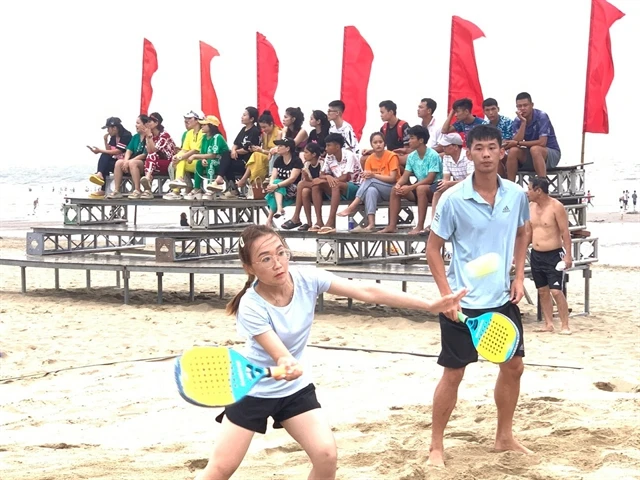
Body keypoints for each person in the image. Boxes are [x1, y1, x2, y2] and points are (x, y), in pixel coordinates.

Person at [194, 224, 466, 480]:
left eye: (280, 252)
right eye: (265, 259)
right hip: (253, 391)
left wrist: (429, 305)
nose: (277, 263)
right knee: (220, 469)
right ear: (249, 267)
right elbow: (280, 354)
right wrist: (287, 362)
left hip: (294, 391)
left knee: (326, 455)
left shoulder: (306, 278)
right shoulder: (251, 306)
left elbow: (366, 291)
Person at [426, 124, 532, 467]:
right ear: (468, 153)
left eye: (492, 148)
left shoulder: (515, 195)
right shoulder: (453, 199)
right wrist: (447, 296)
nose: (486, 154)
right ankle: (436, 448)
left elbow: (522, 232)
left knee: (513, 367)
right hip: (463, 304)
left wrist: (518, 276)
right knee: (453, 373)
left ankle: (504, 437)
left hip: (502, 299)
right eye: (479, 148)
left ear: (502, 151)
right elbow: (433, 249)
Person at [527, 177, 573, 334]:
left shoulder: (556, 207)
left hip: (554, 254)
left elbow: (565, 233)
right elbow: (528, 232)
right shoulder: (531, 207)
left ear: (538, 190)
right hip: (536, 254)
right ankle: (548, 324)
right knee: (542, 290)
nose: (527, 192)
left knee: (556, 291)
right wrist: (517, 254)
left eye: (529, 189)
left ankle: (565, 325)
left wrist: (568, 256)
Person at [378, 125, 442, 235]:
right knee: (395, 189)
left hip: (434, 189)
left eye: (412, 138)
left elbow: (430, 179)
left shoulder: (433, 155)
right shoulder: (412, 156)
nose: (409, 141)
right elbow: (405, 176)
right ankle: (392, 226)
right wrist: (399, 185)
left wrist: (410, 187)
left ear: (421, 140)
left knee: (421, 189)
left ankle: (419, 226)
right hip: (418, 188)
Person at [337, 132, 400, 232]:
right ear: (371, 144)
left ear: (384, 143)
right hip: (378, 190)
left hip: (392, 189)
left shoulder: (391, 156)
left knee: (371, 181)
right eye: (375, 142)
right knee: (370, 190)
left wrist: (374, 175)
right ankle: (371, 224)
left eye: (380, 142)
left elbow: (392, 178)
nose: (378, 144)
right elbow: (367, 180)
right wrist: (368, 176)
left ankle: (353, 206)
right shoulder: (370, 159)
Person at [308, 133, 362, 234]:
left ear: (337, 147)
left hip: (355, 187)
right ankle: (319, 222)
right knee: (316, 186)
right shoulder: (329, 156)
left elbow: (345, 177)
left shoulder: (349, 155)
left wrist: (327, 179)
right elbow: (322, 175)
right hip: (337, 186)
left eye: (329, 145)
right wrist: (327, 177)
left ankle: (331, 223)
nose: (326, 148)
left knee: (335, 185)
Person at [424, 133, 474, 234]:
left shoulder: (467, 156)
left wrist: (448, 184)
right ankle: (434, 222)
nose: (443, 148)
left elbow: (470, 181)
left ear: (455, 147)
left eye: (446, 146)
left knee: (445, 189)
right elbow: (446, 178)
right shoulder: (447, 157)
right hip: (457, 185)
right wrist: (444, 184)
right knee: (438, 191)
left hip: (472, 186)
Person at [504, 92, 561, 181]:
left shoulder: (542, 116)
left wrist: (518, 143)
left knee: (535, 149)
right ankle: (510, 187)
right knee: (513, 151)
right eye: (519, 106)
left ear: (532, 105)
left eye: (525, 105)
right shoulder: (517, 120)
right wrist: (523, 123)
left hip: (551, 153)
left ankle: (542, 185)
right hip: (532, 154)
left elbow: (542, 142)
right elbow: (515, 142)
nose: (522, 108)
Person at [211, 107, 262, 199]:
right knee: (226, 161)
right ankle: (231, 187)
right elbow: (235, 143)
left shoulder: (255, 131)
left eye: (245, 115)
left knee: (226, 158)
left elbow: (248, 149)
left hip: (247, 162)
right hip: (237, 158)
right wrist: (234, 150)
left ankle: (225, 182)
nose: (242, 117)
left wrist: (235, 152)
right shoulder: (243, 129)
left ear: (251, 119)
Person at [280, 143, 324, 231]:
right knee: (304, 191)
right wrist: (306, 176)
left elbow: (320, 179)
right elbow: (307, 180)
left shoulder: (321, 163)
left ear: (314, 154)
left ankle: (296, 217)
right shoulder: (307, 164)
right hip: (311, 188)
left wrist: (307, 180)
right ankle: (309, 222)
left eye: (306, 152)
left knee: (300, 184)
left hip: (321, 189)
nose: (304, 154)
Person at [183, 115, 228, 201]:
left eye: (204, 125)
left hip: (220, 163)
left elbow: (213, 155)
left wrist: (195, 156)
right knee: (199, 163)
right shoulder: (204, 137)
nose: (202, 126)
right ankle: (197, 188)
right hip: (210, 160)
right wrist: (202, 159)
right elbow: (203, 153)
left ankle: (211, 189)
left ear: (211, 126)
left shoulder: (217, 137)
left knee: (210, 162)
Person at [107, 115, 151, 199]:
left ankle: (137, 190)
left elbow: (144, 154)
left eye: (138, 123)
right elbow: (128, 150)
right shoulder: (135, 137)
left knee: (133, 163)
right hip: (132, 161)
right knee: (119, 162)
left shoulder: (148, 136)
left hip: (144, 163)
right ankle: (117, 190)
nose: (136, 125)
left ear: (145, 125)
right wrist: (125, 160)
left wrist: (129, 161)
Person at [87, 117, 133, 198]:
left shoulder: (126, 135)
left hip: (125, 164)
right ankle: (100, 176)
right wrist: (105, 141)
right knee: (105, 157)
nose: (107, 131)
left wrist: (100, 150)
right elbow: (109, 152)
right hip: (117, 162)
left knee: (104, 154)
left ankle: (101, 179)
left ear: (114, 128)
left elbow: (118, 151)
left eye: (108, 128)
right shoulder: (114, 137)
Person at [237, 111, 281, 191]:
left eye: (265, 127)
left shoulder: (279, 133)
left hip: (275, 159)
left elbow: (278, 151)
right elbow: (264, 149)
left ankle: (244, 180)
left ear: (271, 124)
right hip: (266, 157)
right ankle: (250, 182)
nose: (263, 130)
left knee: (256, 156)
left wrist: (262, 151)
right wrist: (257, 149)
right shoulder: (264, 134)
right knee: (255, 155)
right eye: (261, 127)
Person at [263, 138, 303, 227]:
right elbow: (273, 175)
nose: (278, 148)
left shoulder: (296, 160)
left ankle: (270, 219)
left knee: (276, 186)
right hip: (280, 188)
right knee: (275, 187)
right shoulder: (278, 160)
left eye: (281, 146)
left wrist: (276, 185)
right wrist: (271, 184)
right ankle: (278, 209)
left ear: (288, 148)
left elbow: (292, 179)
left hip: (294, 187)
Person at [166, 110, 205, 199]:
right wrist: (176, 156)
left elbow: (196, 150)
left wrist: (180, 157)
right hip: (190, 160)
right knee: (176, 162)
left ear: (197, 120)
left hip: (202, 161)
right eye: (185, 118)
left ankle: (181, 187)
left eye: (189, 118)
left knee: (180, 161)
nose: (186, 121)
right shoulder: (189, 133)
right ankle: (177, 190)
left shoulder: (203, 132)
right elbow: (184, 150)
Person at [360, 100, 410, 169]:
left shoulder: (403, 126)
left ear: (391, 112)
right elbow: (381, 146)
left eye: (382, 112)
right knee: (364, 159)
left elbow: (407, 149)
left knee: (394, 161)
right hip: (388, 156)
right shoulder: (384, 128)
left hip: (400, 158)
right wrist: (370, 151)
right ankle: (368, 177)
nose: (381, 115)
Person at [139, 112, 176, 199]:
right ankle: (147, 189)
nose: (148, 123)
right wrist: (148, 137)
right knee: (150, 158)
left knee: (151, 158)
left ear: (157, 123)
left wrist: (149, 137)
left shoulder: (164, 135)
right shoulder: (150, 135)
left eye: (150, 121)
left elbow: (154, 150)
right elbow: (149, 151)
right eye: (147, 121)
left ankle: (147, 182)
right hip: (156, 162)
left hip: (170, 163)